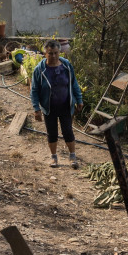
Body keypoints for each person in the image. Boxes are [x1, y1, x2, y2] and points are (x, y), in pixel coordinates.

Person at [31, 39, 83, 168]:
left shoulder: (66, 66)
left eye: (55, 53)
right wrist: (36, 109)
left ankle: (72, 156)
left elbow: (73, 83)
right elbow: (34, 90)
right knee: (52, 132)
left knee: (67, 131)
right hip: (49, 107)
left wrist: (79, 99)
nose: (53, 56)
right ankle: (54, 158)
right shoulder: (40, 70)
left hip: (65, 105)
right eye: (50, 53)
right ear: (45, 54)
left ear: (59, 52)